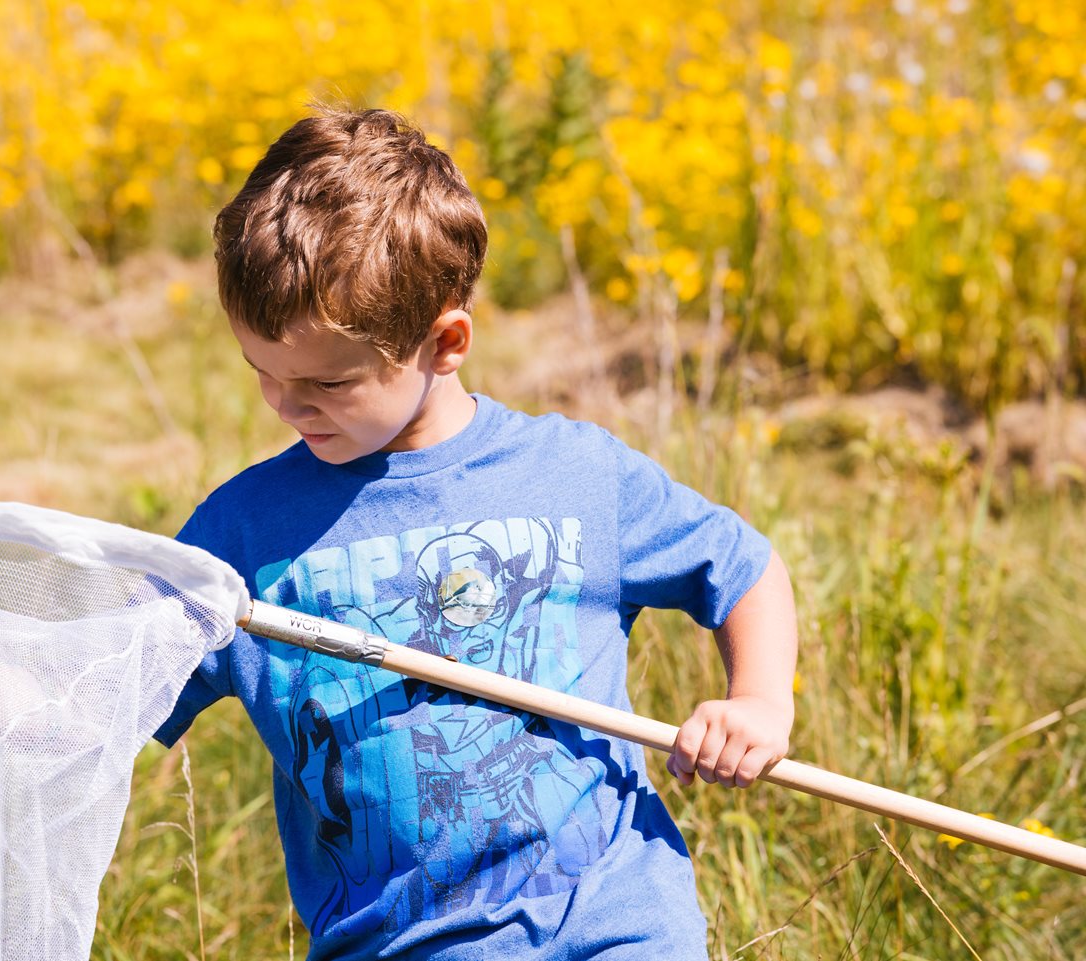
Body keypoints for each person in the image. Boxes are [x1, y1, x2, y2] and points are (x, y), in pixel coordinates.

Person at [153, 106, 798, 959]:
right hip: (402, 941)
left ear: (445, 341)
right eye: (261, 373)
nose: (285, 405)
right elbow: (104, 683)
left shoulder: (574, 475)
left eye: (326, 383)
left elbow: (743, 570)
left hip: (617, 919)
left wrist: (758, 698)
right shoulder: (241, 535)